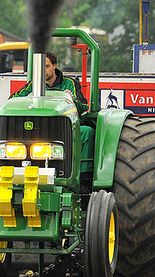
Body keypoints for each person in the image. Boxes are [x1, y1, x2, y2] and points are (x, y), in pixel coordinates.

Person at [10, 52, 94, 190]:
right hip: (38, 129)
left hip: (63, 129)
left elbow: (83, 107)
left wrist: (72, 98)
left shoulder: (70, 83)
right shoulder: (32, 86)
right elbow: (13, 99)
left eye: (47, 66)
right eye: (41, 67)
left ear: (54, 66)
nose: (44, 70)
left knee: (86, 132)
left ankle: (84, 180)